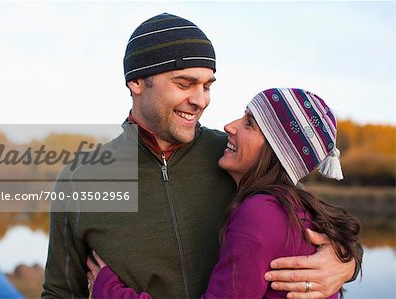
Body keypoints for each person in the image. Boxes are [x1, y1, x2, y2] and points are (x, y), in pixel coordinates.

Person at [42, 13, 360, 299]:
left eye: (207, 85)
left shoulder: (238, 160)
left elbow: (313, 226)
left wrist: (344, 260)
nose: (200, 100)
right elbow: (59, 292)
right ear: (137, 82)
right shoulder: (79, 179)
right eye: (185, 84)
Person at [86, 88, 362, 298]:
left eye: (250, 123)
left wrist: (108, 289)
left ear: (277, 152)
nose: (230, 126)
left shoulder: (263, 213)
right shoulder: (291, 206)